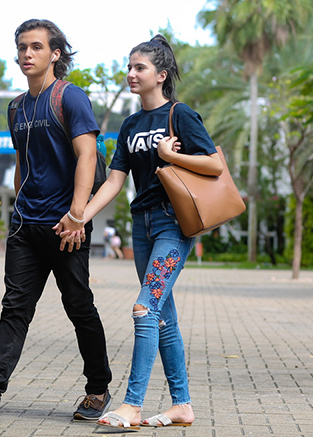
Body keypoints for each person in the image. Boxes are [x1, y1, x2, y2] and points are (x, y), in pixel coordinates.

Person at [0, 18, 112, 422]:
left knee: (79, 307)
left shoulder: (69, 98)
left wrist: (77, 215)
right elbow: (24, 163)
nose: (26, 54)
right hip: (25, 226)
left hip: (65, 226)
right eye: (21, 47)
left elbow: (87, 155)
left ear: (55, 53)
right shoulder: (17, 106)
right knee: (14, 307)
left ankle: (98, 388)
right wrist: (18, 208)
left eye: (35, 47)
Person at [59, 34, 222, 430]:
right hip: (142, 227)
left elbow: (215, 165)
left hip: (173, 225)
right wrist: (79, 216)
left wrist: (171, 156)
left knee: (144, 308)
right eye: (129, 67)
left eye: (139, 68)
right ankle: (181, 405)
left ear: (160, 75)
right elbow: (114, 181)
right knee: (163, 315)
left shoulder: (180, 115)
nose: (130, 74)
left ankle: (132, 404)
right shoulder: (131, 124)